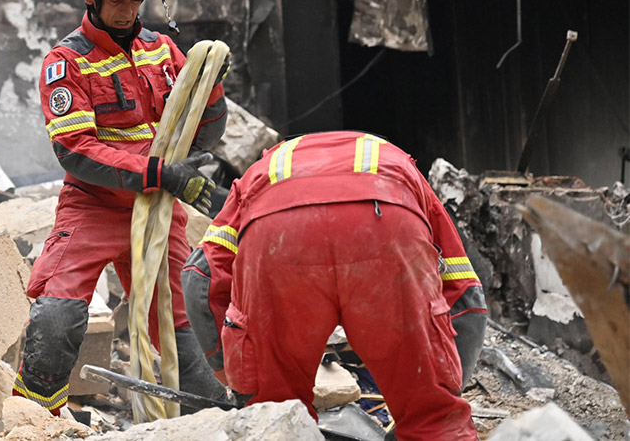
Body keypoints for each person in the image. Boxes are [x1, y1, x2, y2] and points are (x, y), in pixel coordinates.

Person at [12, 0, 230, 414]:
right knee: (57, 316)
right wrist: (160, 173)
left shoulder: (165, 51)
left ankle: (210, 421)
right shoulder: (66, 62)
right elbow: (77, 151)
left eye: (136, 1)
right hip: (94, 206)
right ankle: (34, 419)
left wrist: (212, 88)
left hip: (157, 208)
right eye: (116, 1)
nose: (129, 11)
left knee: (183, 326)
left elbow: (201, 135)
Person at [181, 131, 487, 441]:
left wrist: (237, 375)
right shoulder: (397, 163)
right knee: (432, 421)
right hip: (386, 221)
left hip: (278, 234)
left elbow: (199, 277)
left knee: (274, 415)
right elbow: (464, 292)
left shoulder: (261, 173)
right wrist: (440, 388)